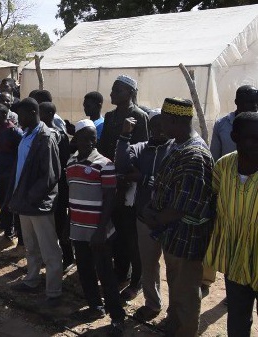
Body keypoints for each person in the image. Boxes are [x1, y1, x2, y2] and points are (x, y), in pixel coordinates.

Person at [142, 98, 213, 337]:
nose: (159, 126)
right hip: (173, 235)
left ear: (175, 120)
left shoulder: (194, 156)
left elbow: (183, 206)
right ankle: (174, 324)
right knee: (176, 284)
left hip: (186, 237)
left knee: (185, 291)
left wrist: (155, 218)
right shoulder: (178, 144)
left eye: (163, 120)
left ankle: (184, 331)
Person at [114, 109, 175, 321]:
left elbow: (172, 183)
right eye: (153, 126)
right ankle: (152, 303)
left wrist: (145, 177)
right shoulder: (142, 148)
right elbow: (121, 164)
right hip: (145, 218)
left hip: (171, 219)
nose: (158, 130)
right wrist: (124, 135)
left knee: (175, 269)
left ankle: (175, 312)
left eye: (162, 125)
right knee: (149, 264)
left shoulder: (176, 149)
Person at [67, 119, 126, 336]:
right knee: (85, 271)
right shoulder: (71, 163)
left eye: (91, 137)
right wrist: (68, 224)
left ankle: (117, 316)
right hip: (78, 228)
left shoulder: (105, 164)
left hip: (98, 231)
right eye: (81, 137)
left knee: (106, 274)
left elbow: (110, 199)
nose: (89, 141)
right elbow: (72, 197)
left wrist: (101, 230)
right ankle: (94, 307)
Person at [204, 111, 258, 337]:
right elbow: (213, 201)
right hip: (234, 259)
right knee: (237, 318)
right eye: (251, 138)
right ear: (235, 137)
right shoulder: (224, 166)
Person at [7, 98, 63, 308]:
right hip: (25, 201)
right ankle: (32, 280)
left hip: (38, 204)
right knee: (31, 246)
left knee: (49, 250)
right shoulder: (28, 134)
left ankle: (54, 291)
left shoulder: (45, 137)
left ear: (32, 112)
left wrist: (31, 197)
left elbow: (50, 175)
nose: (17, 119)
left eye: (20, 115)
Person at [98, 75, 149, 296]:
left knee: (130, 234)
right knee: (114, 230)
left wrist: (126, 180)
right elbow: (103, 148)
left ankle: (136, 280)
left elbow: (142, 152)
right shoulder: (110, 117)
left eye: (116, 90)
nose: (111, 94)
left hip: (128, 184)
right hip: (110, 180)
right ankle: (120, 272)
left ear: (129, 93)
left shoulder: (139, 116)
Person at [39, 102, 75, 272]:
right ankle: (53, 256)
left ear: (50, 114)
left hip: (58, 186)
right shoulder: (42, 133)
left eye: (42, 113)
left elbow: (62, 163)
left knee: (60, 223)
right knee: (49, 224)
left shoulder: (59, 135)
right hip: (48, 186)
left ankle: (68, 258)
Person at [0, 104, 23, 243]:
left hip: (10, 174)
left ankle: (11, 229)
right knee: (0, 199)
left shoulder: (13, 132)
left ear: (3, 116)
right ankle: (5, 224)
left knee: (10, 202)